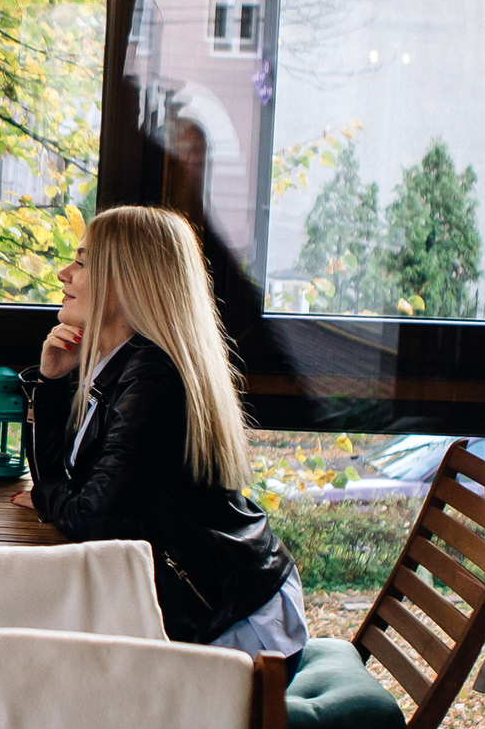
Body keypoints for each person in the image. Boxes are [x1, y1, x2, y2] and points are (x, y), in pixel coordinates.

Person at [17, 204, 305, 659]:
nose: (62, 273)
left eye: (82, 262)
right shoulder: (123, 367)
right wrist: (51, 383)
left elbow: (92, 518)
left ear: (125, 281)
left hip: (239, 624)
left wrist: (44, 498)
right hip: (207, 604)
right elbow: (66, 485)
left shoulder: (154, 376)